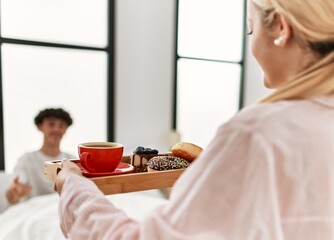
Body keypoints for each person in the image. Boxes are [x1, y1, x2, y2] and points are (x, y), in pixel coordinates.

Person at [55, 0, 334, 239]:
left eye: (251, 29)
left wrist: (73, 188)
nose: (251, 43)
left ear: (282, 29)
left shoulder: (259, 133)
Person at [0, 108, 75, 213]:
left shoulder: (72, 161)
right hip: (33, 213)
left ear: (66, 129)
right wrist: (14, 193)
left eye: (61, 125)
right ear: (40, 127)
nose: (57, 129)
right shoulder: (27, 160)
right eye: (51, 124)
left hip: (63, 211)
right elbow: (16, 188)